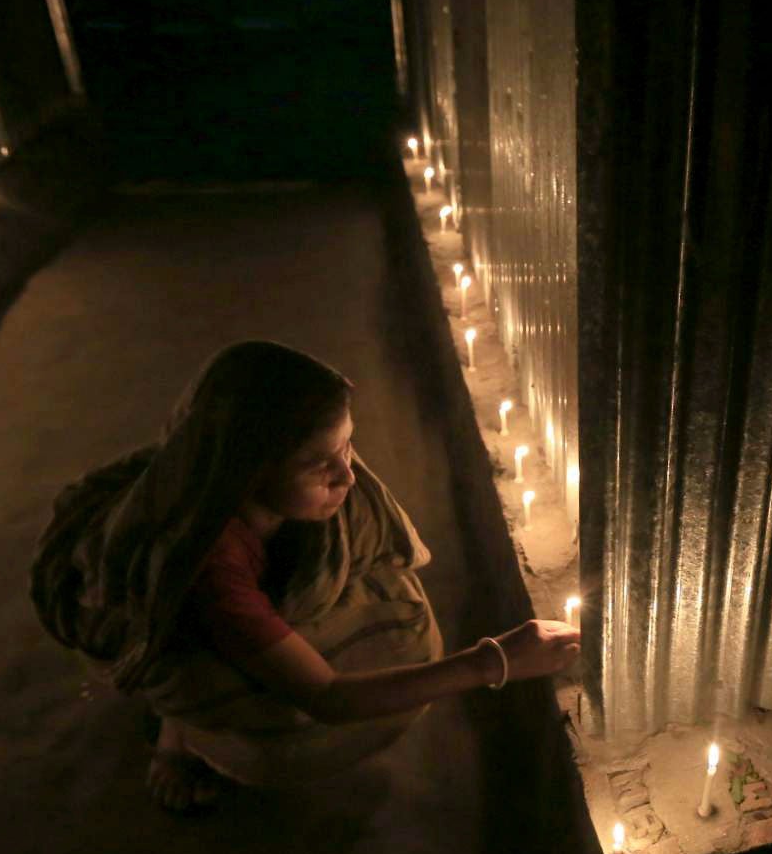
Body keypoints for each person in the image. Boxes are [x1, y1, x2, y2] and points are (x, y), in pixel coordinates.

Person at [29, 340, 581, 814]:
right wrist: (496, 660)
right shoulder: (211, 567)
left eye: (348, 445)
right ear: (244, 471)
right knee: (214, 674)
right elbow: (327, 697)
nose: (347, 474)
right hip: (175, 622)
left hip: (238, 576)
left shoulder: (281, 495)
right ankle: (178, 732)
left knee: (379, 602)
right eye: (319, 463)